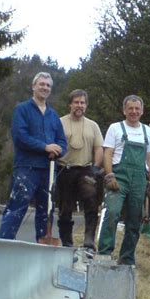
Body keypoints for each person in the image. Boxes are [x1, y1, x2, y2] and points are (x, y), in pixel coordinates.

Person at [0, 72, 67, 242]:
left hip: (49, 170)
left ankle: (41, 247)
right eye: (41, 84)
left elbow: (62, 141)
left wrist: (58, 150)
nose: (45, 88)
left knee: (46, 210)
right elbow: (20, 137)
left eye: (48, 85)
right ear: (33, 86)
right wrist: (45, 147)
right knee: (17, 207)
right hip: (27, 168)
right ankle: (4, 244)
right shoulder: (22, 109)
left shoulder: (53, 115)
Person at [97, 95, 150, 265]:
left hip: (139, 179)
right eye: (130, 108)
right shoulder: (115, 128)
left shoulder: (148, 132)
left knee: (135, 219)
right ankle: (105, 253)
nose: (134, 111)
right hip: (118, 177)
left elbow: (149, 157)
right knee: (112, 212)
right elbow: (108, 153)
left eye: (137, 109)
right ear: (124, 110)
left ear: (142, 111)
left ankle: (127, 257)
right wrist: (109, 175)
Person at [56, 89, 104, 249]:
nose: (79, 105)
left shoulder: (93, 126)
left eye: (82, 102)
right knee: (65, 207)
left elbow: (99, 148)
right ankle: (67, 242)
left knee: (91, 199)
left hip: (86, 169)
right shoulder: (59, 122)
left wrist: (96, 168)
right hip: (64, 169)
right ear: (70, 104)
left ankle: (89, 239)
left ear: (86, 106)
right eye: (76, 102)